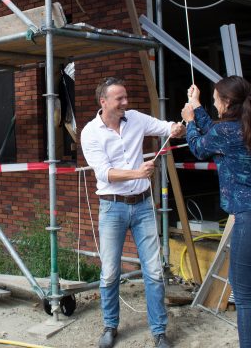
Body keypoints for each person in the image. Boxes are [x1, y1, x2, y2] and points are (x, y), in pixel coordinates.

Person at [180, 77, 251, 348]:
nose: (214, 102)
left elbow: (199, 147)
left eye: (216, 99)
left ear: (226, 102)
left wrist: (190, 120)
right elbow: (215, 131)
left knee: (245, 294)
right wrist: (198, 105)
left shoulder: (225, 132)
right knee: (248, 292)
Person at [80, 77, 185, 348]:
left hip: (143, 206)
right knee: (110, 272)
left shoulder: (135, 118)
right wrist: (138, 172)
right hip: (112, 207)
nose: (126, 103)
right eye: (120, 99)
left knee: (153, 272)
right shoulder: (90, 132)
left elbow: (165, 128)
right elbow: (104, 173)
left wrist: (177, 127)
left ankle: (159, 331)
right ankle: (110, 326)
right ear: (103, 102)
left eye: (126, 97)